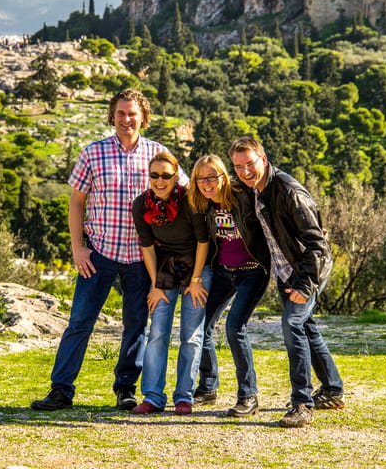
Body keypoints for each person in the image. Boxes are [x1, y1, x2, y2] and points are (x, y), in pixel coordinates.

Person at [31, 89, 184, 412]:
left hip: (142, 259)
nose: (126, 119)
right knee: (79, 322)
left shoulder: (158, 154)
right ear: (112, 116)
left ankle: (125, 389)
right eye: (120, 113)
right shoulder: (93, 153)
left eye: (132, 114)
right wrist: (78, 248)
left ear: (143, 116)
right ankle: (61, 390)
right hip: (99, 254)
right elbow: (76, 202)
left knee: (135, 325)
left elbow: (184, 192)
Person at [227, 136, 344, 428]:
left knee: (291, 323)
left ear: (263, 160)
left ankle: (302, 403)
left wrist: (305, 286)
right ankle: (332, 389)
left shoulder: (289, 192)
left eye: (250, 164)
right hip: (284, 270)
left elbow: (317, 246)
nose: (244, 171)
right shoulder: (251, 187)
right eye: (238, 167)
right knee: (305, 326)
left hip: (307, 269)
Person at [188, 154, 271, 417]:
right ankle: (208, 386)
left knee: (235, 327)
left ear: (224, 176)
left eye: (212, 176)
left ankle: (248, 396)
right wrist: (196, 278)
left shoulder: (244, 196)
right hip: (224, 272)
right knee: (203, 325)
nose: (207, 183)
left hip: (253, 271)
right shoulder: (203, 206)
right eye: (201, 178)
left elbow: (276, 213)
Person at [130, 152, 211, 415]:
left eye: (166, 175)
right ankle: (153, 396)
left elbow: (203, 241)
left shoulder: (190, 200)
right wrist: (155, 285)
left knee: (191, 334)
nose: (160, 180)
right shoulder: (141, 204)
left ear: (176, 176)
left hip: (196, 265)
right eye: (154, 175)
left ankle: (184, 396)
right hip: (164, 267)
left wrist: (197, 280)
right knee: (157, 332)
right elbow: (148, 247)